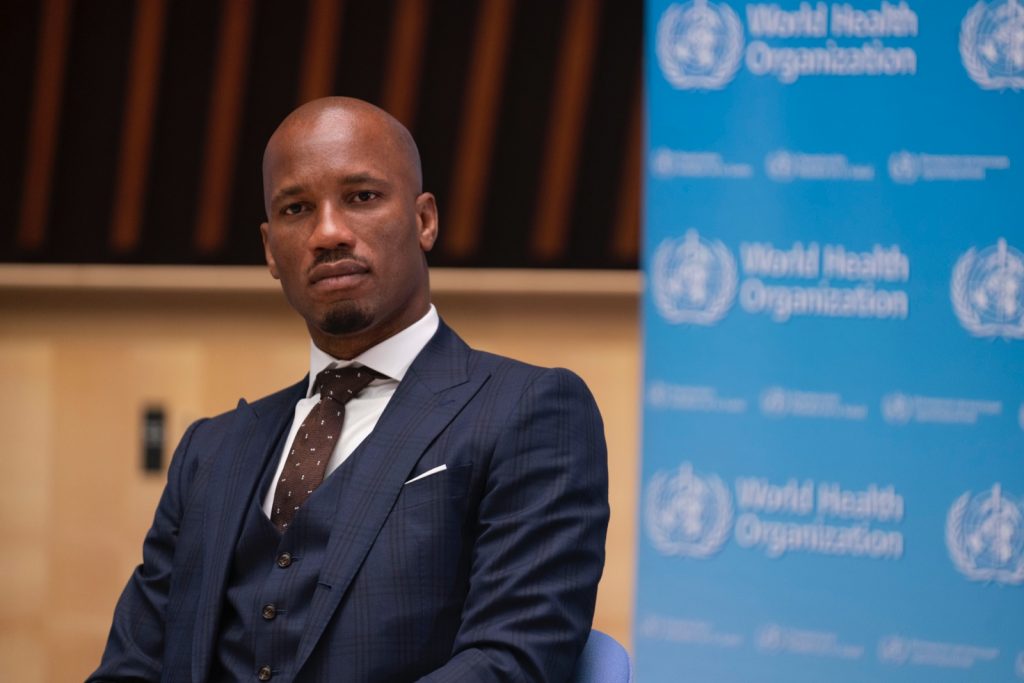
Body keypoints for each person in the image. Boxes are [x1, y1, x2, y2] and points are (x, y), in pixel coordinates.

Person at [89, 97, 609, 682]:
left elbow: (512, 661)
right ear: (269, 251)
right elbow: (133, 664)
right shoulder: (209, 452)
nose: (328, 232)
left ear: (425, 221)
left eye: (362, 197)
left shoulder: (531, 410)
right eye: (296, 208)